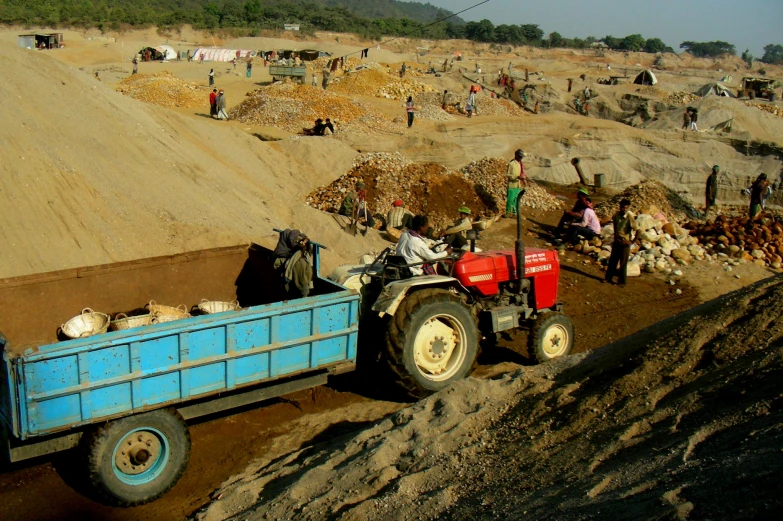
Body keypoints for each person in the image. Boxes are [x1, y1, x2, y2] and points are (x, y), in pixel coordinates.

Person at [605, 199, 637, 287]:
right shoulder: (616, 216)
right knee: (612, 261)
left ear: (628, 208)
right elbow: (615, 227)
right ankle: (608, 278)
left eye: (626, 208)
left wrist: (632, 242)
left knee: (623, 264)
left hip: (625, 244)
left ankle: (622, 282)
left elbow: (638, 230)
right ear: (620, 207)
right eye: (623, 207)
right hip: (617, 242)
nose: (624, 209)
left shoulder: (629, 217)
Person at [273, 229, 313, 297]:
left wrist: (303, 239)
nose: (297, 241)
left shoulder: (288, 235)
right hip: (280, 263)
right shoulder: (285, 252)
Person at [505, 149, 527, 217]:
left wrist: (522, 179)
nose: (521, 158)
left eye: (521, 157)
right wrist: (517, 177)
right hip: (512, 185)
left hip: (518, 185)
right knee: (510, 200)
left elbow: (521, 173)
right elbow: (508, 175)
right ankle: (507, 213)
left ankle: (515, 213)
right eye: (520, 157)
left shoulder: (520, 164)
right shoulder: (511, 164)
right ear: (516, 156)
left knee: (516, 200)